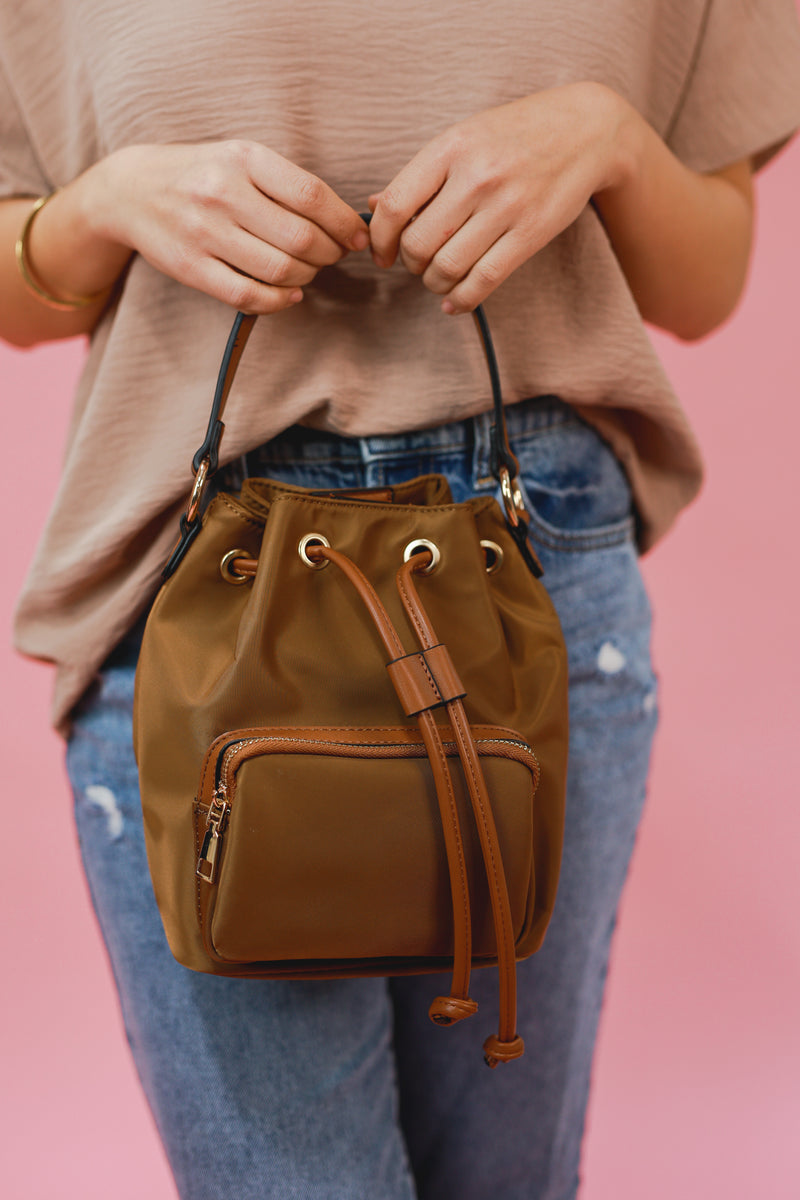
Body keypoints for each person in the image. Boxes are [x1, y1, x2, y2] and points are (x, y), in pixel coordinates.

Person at [3, 2, 800, 1197]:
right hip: (193, 583)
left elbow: (702, 284)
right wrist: (99, 209)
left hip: (531, 564)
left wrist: (613, 141)